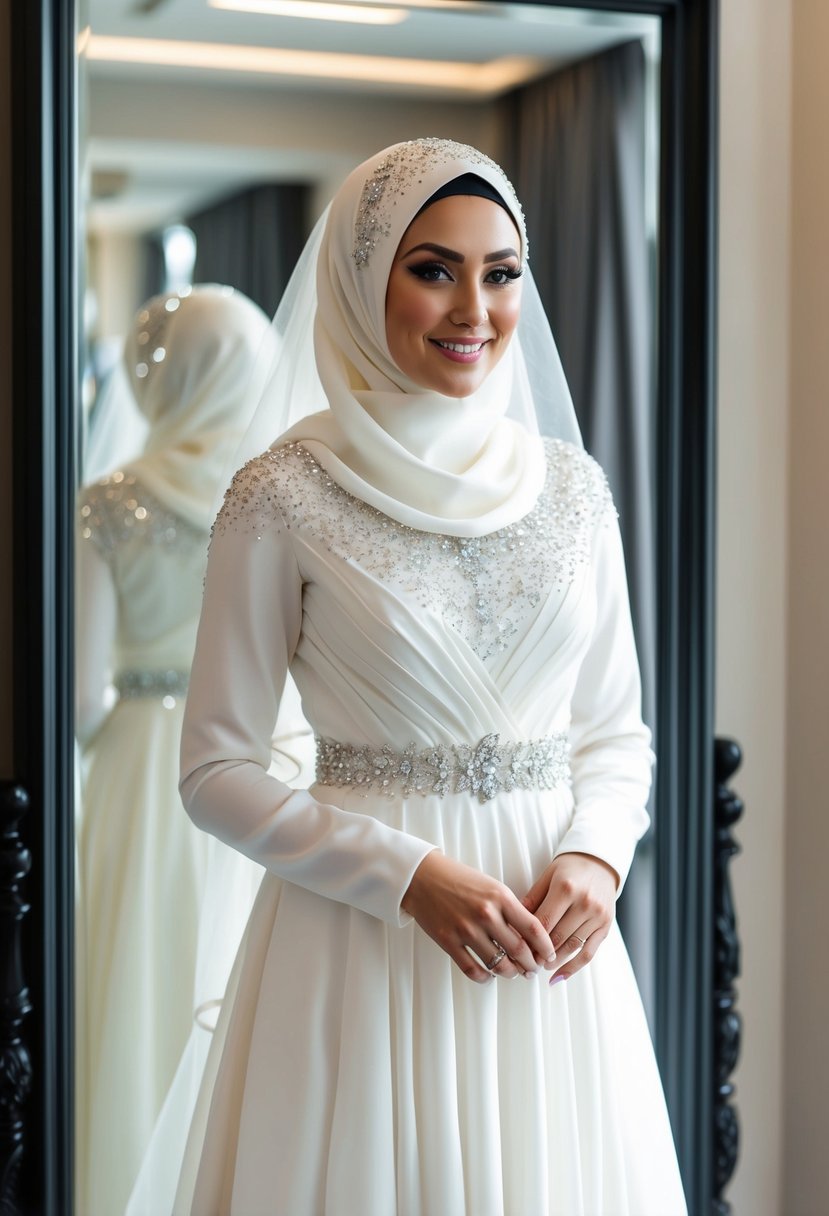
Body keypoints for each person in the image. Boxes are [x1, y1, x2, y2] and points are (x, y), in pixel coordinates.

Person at [171, 139, 687, 1214]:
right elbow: (215, 768)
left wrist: (595, 857)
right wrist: (408, 876)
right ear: (365, 282)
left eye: (501, 273)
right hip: (357, 935)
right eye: (433, 268)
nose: (475, 310)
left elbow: (617, 730)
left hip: (550, 953)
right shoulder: (283, 495)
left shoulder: (571, 490)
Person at [75, 284, 276, 1216]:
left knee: (135, 985)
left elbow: (77, 697)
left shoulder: (108, 505)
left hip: (142, 766)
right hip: (267, 769)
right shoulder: (279, 498)